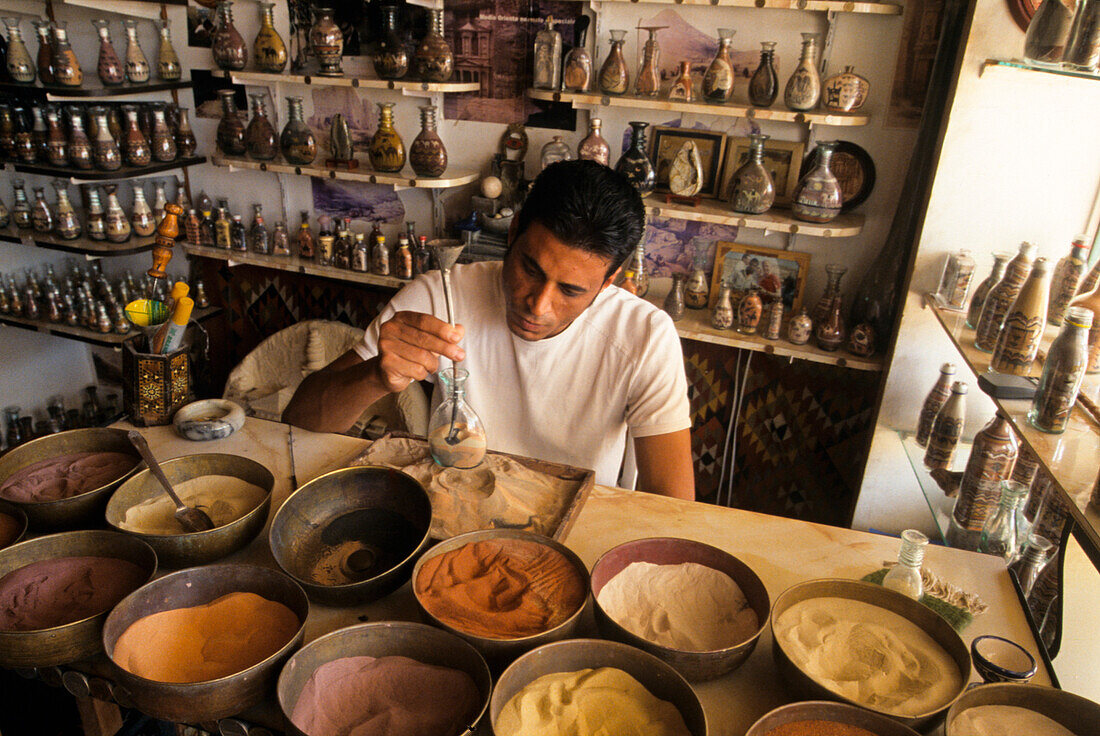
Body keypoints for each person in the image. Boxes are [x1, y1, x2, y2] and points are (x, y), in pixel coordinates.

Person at [283, 160, 694, 500]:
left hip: (582, 524)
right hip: (457, 509)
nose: (539, 304)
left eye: (570, 290)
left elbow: (675, 505)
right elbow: (299, 420)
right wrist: (376, 376)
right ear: (512, 235)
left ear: (609, 282)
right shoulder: (441, 296)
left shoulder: (645, 336)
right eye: (530, 269)